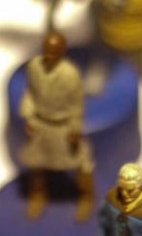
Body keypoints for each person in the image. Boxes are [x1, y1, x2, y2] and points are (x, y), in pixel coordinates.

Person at [18, 30, 95, 221]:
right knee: (36, 164)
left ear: (62, 52)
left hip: (63, 126)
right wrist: (28, 116)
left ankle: (86, 197)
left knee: (81, 163)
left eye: (54, 52)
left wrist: (75, 129)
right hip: (40, 123)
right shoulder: (34, 66)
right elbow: (30, 92)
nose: (49, 55)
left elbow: (76, 104)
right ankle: (38, 195)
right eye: (47, 50)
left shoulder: (70, 75)